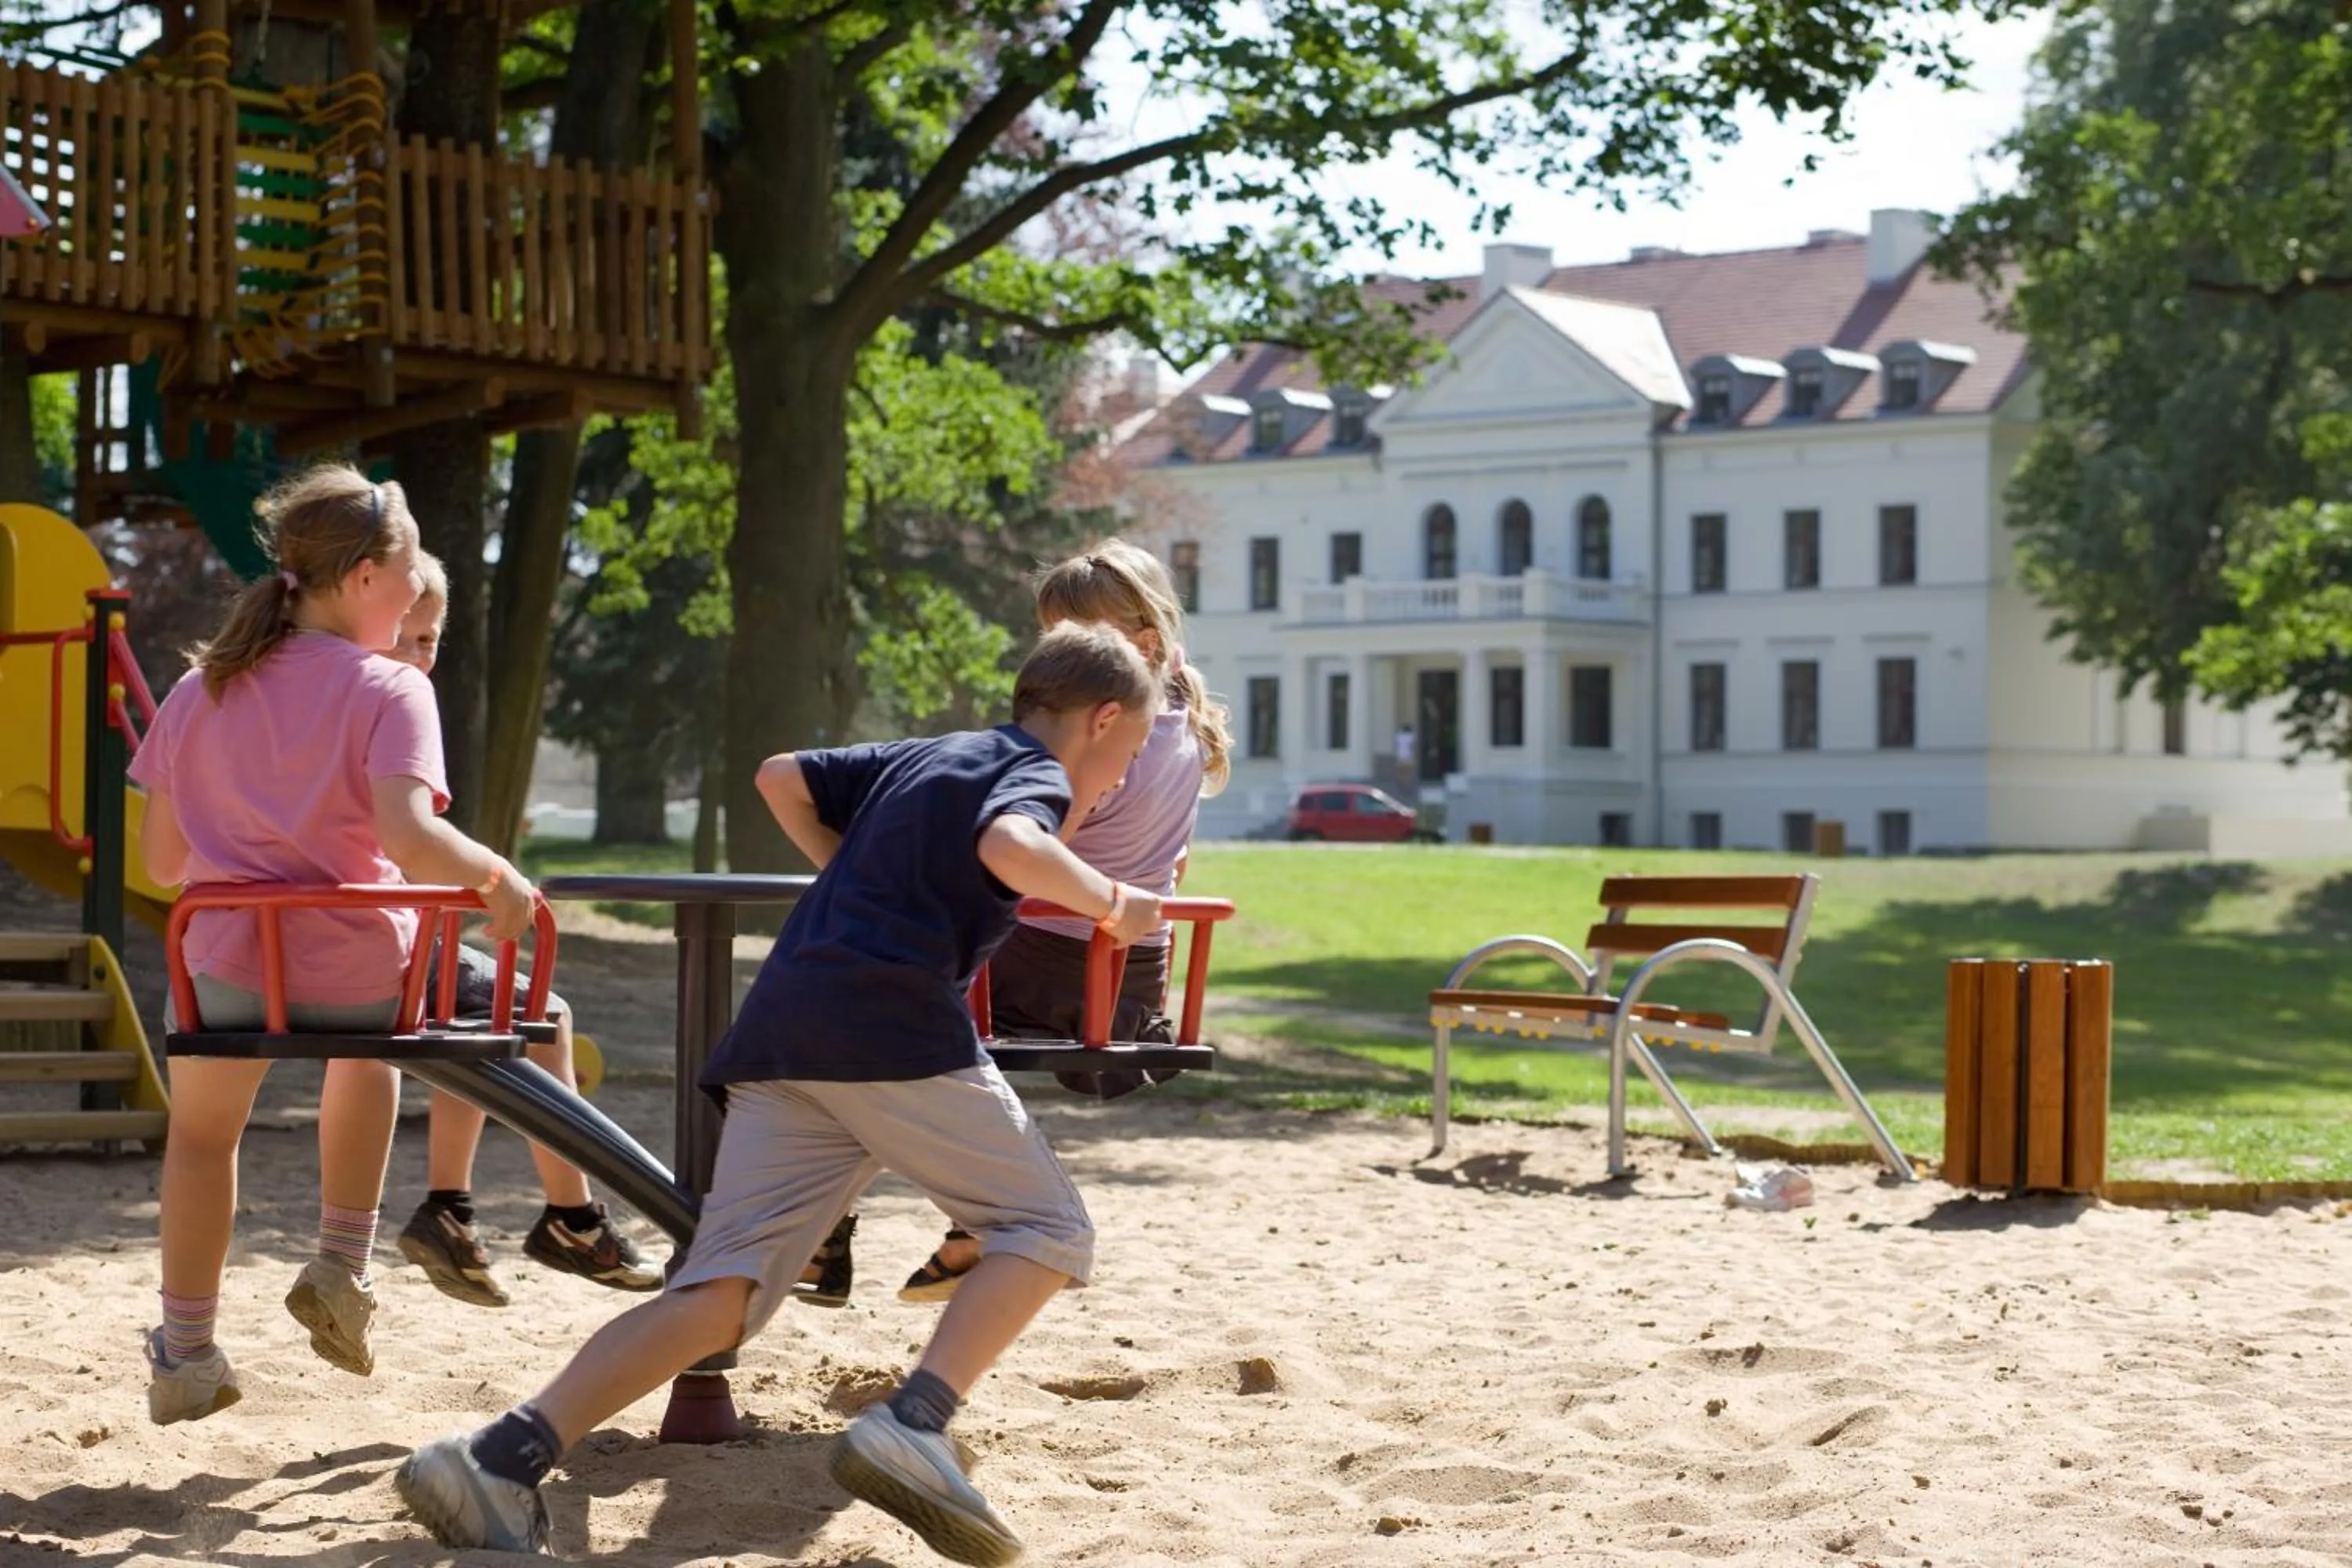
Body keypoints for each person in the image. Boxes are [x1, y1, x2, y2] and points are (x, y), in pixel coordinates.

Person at [394, 622, 1167, 1564]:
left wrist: (840, 868)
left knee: (725, 1294)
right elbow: (1012, 843)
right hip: (891, 1028)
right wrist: (1110, 904)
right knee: (1045, 1227)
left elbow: (780, 775)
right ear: (1103, 718)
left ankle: (498, 1455)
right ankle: (917, 1420)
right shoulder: (1033, 771)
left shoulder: (931, 755)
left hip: (786, 1030)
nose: (1119, 778)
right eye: (1124, 756)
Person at [129, 466, 539, 1426]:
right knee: (373, 1050)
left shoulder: (202, 687)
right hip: (359, 971)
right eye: (406, 570)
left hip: (231, 967)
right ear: (361, 577)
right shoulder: (390, 684)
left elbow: (159, 859)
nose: (414, 592)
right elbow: (407, 836)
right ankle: (339, 1265)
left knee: (199, 1135)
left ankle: (186, 1350)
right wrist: (497, 874)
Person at [895, 539, 1232, 1305]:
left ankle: (968, 1213)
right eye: (1052, 644)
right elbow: (1168, 867)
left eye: (1079, 645)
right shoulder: (1179, 723)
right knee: (932, 1046)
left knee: (887, 1019)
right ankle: (972, 1214)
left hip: (1057, 963)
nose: (1056, 665)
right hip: (1134, 974)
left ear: (1143, 644)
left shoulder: (1108, 736)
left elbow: (1040, 847)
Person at [381, 557, 662, 1306]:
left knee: (479, 1021)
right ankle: (571, 1216)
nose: (416, 654)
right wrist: (488, 878)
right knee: (544, 1015)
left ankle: (451, 1204)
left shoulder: (327, 692)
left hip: (350, 933)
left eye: (429, 638)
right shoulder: (387, 699)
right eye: (403, 635)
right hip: (374, 941)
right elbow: (408, 835)